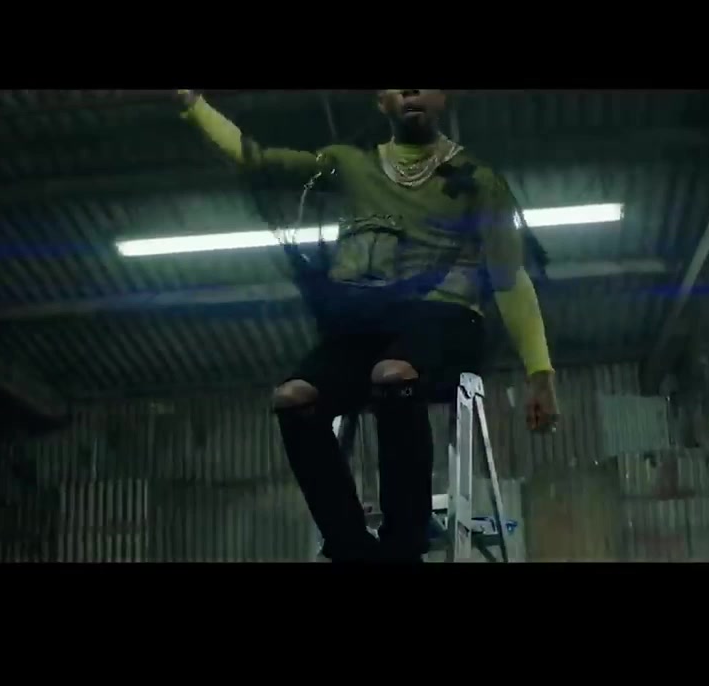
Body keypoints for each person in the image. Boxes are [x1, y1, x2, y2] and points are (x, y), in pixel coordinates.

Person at [174, 89, 558, 562]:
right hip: (367, 326)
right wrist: (193, 103)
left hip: (447, 320)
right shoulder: (349, 165)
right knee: (293, 398)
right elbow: (254, 158)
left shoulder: (478, 180)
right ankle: (352, 548)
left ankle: (404, 544)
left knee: (392, 374)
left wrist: (541, 375)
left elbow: (510, 279)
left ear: (444, 98)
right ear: (381, 103)